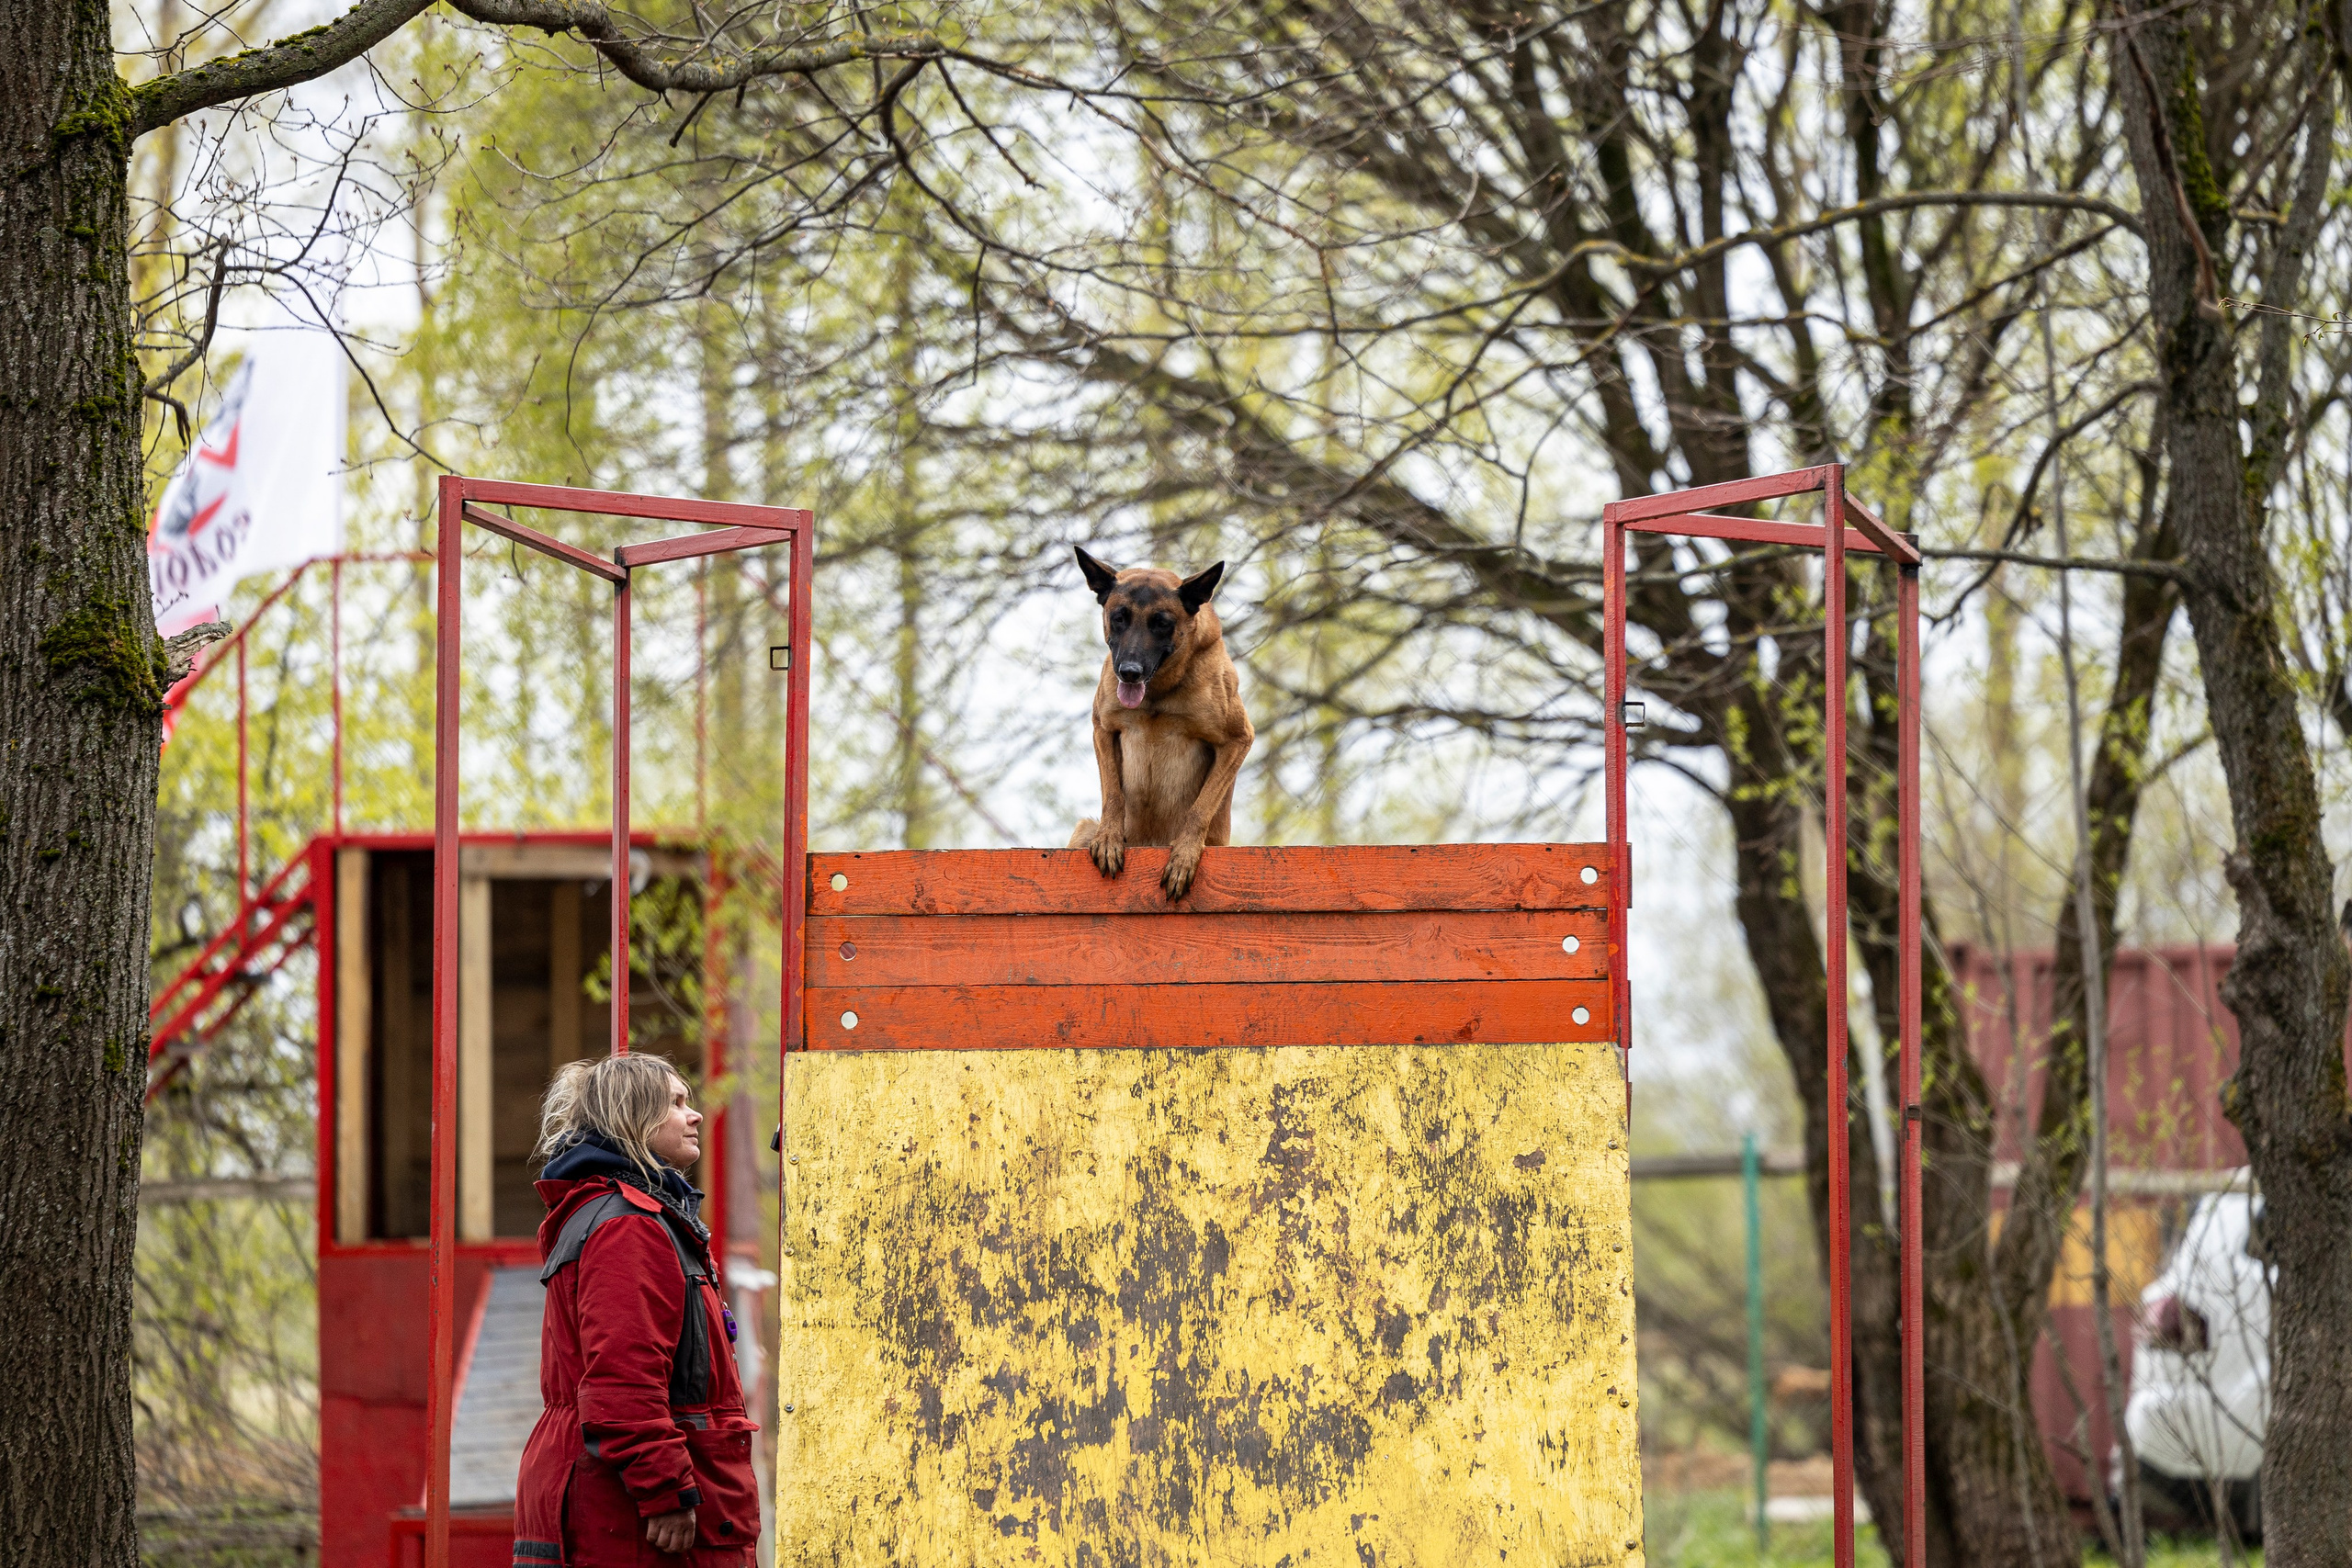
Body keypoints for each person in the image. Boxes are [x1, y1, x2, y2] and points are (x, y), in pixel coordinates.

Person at [514, 1054, 760, 1565]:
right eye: (675, 1103)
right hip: (625, 1515)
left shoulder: (628, 1215)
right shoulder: (629, 1227)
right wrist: (665, 1490)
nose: (693, 1116)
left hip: (608, 1497)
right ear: (633, 1118)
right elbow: (624, 1381)